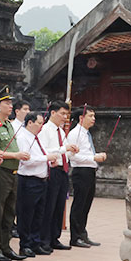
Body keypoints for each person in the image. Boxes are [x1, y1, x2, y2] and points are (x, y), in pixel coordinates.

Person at [0, 87, 28, 261]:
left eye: (11, 103)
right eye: (6, 103)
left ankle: (6, 246)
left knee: (10, 213)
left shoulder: (9, 124)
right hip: (1, 172)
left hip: (14, 173)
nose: (10, 106)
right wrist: (14, 156)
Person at [39, 101, 79, 252]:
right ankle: (45, 239)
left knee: (59, 205)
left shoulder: (61, 131)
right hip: (52, 170)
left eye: (66, 114)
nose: (65, 117)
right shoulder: (45, 130)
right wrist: (64, 149)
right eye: (62, 114)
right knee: (49, 205)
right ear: (53, 113)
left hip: (63, 170)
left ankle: (54, 237)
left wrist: (71, 151)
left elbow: (64, 152)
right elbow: (46, 151)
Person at [16, 113, 56, 256]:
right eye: (39, 123)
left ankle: (35, 242)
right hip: (29, 180)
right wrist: (46, 158)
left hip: (41, 180)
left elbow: (42, 155)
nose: (41, 126)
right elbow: (26, 159)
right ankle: (25, 244)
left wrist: (50, 160)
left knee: (39, 214)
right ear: (30, 123)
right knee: (27, 214)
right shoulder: (22, 137)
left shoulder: (36, 138)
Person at [67, 107, 106, 247]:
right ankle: (75, 237)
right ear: (81, 118)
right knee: (79, 204)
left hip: (90, 171)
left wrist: (95, 157)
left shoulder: (86, 133)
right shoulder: (75, 134)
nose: (93, 118)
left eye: (94, 115)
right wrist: (94, 157)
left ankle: (82, 233)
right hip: (81, 171)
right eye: (90, 116)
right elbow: (74, 156)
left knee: (86, 205)